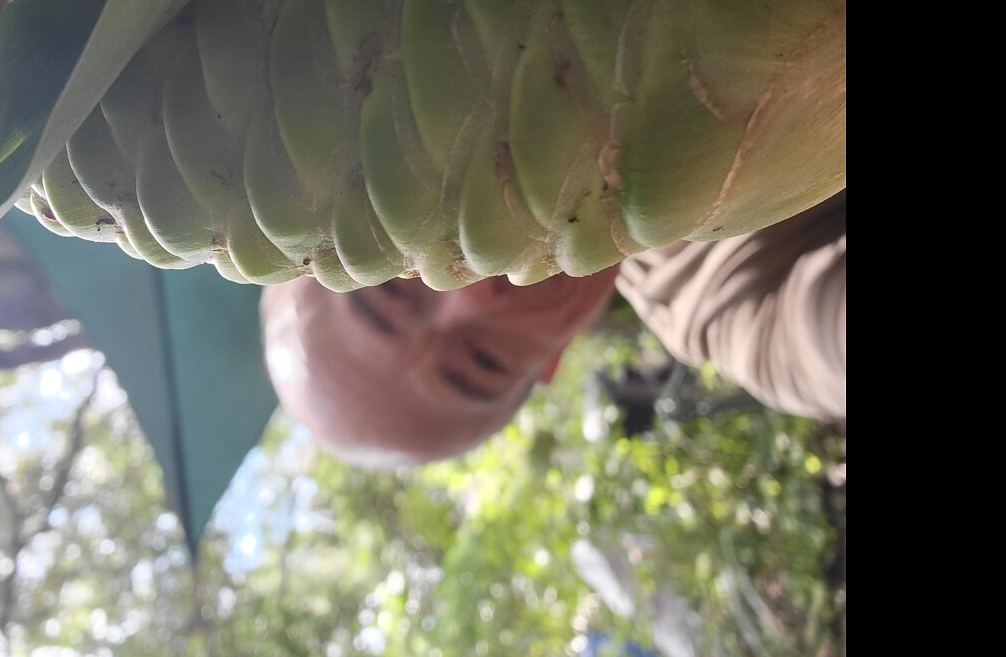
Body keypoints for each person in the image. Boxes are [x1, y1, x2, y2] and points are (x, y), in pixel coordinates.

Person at [260, 191, 845, 467]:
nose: (476, 291)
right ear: (549, 363)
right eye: (483, 359)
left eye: (393, 282)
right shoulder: (717, 301)